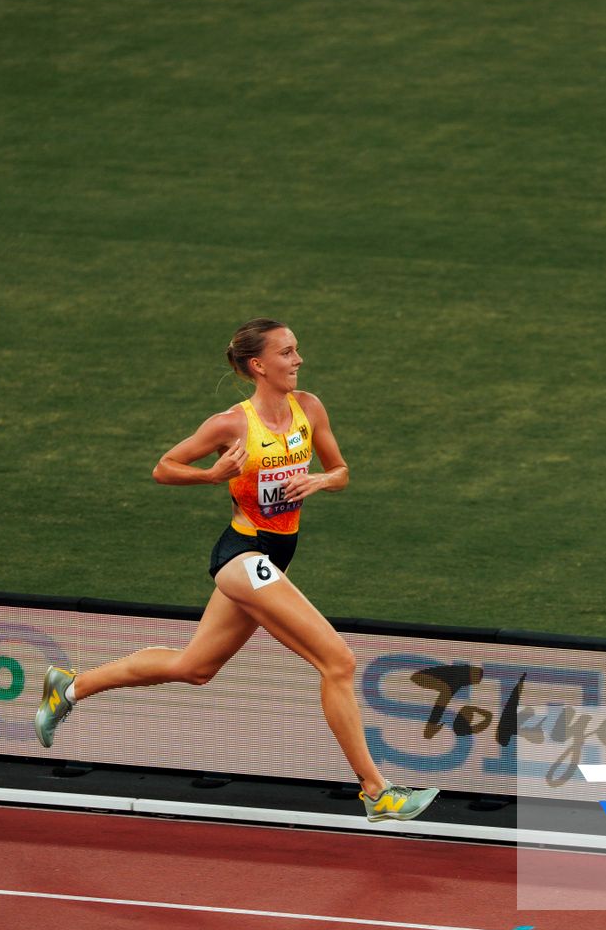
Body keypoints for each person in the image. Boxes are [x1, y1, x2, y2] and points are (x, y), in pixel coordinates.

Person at [32, 318, 439, 824]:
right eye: (288, 353)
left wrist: (319, 482)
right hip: (242, 556)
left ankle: (69, 687)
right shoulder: (230, 423)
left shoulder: (309, 408)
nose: (299, 360)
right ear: (258, 365)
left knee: (194, 668)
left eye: (297, 351)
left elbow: (341, 471)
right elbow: (164, 466)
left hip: (274, 556)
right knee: (339, 662)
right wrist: (211, 474)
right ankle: (376, 791)